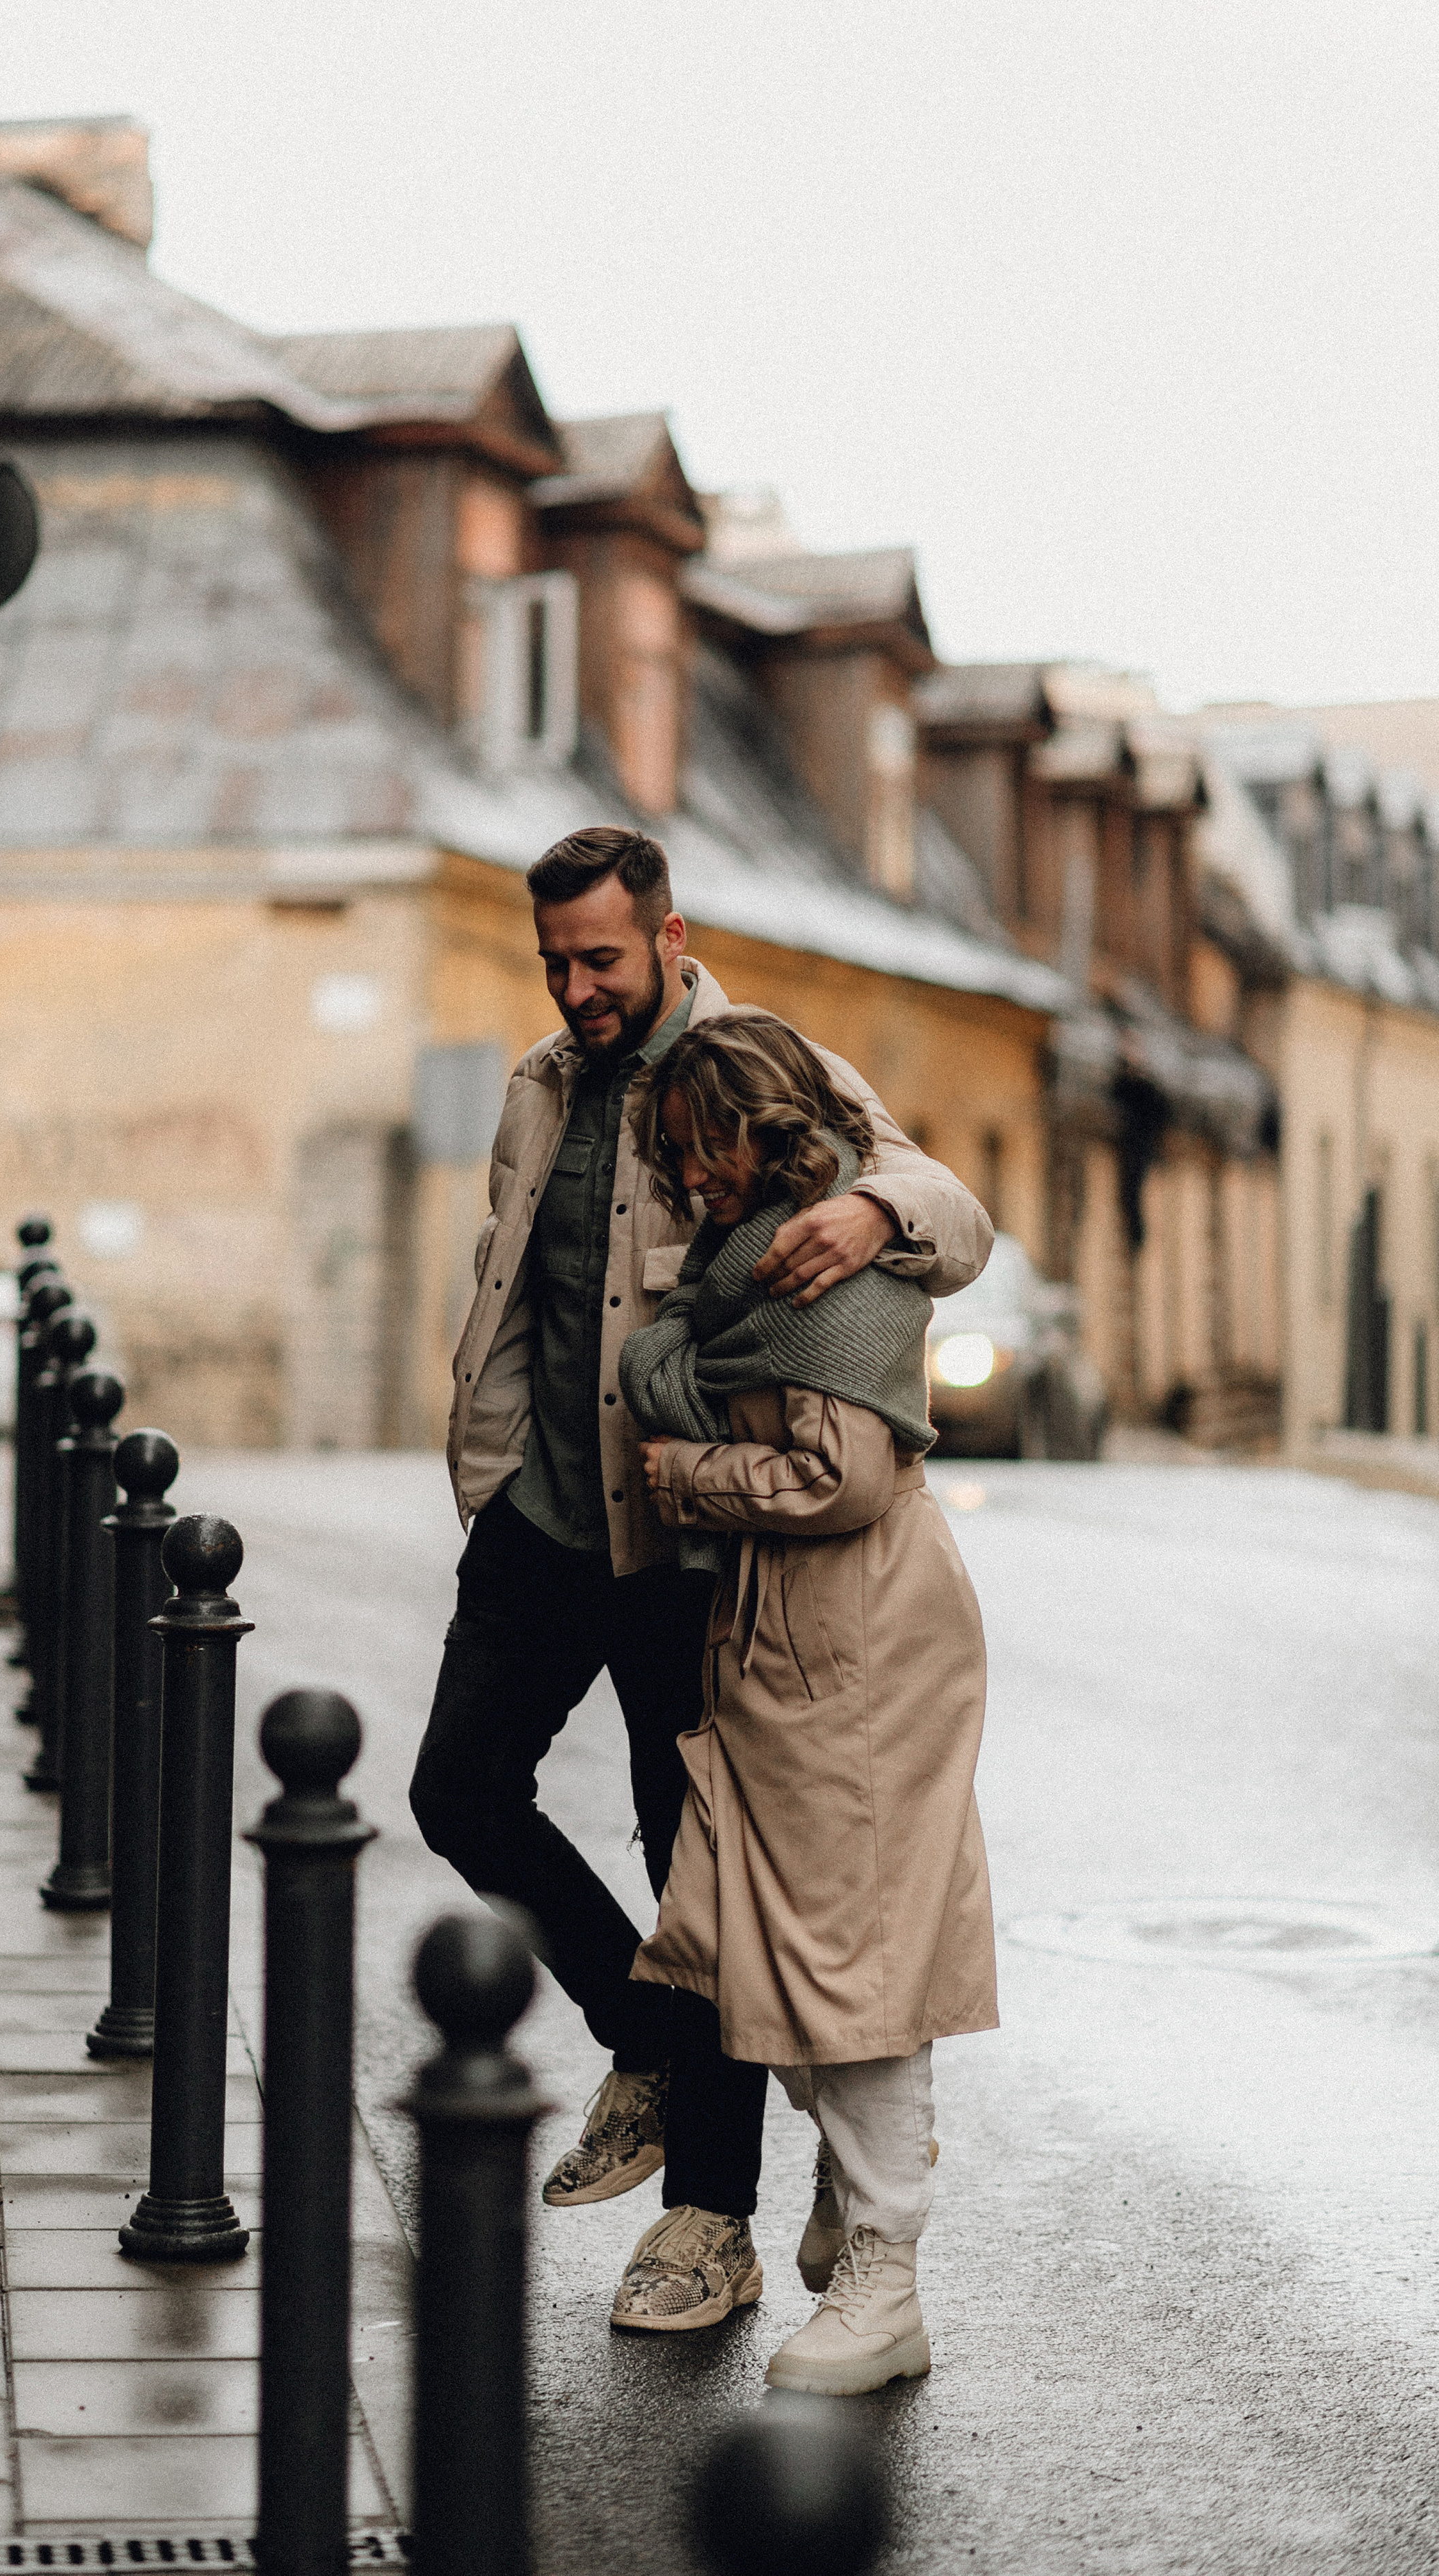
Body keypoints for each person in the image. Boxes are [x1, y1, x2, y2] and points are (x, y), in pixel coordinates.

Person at [409, 823, 992, 2332]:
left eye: (598, 957)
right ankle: (644, 2034)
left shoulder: (755, 1061)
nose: (575, 987)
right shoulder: (538, 1085)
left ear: (668, 936)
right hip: (542, 1516)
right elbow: (514, 1281)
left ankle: (706, 2226)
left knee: (699, 1864)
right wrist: (483, 1480)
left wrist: (876, 1211)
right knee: (457, 1788)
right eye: (552, 961)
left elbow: (948, 1206)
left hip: (691, 1540)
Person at [618, 1009, 997, 2392]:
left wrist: (683, 1481)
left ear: (742, 1137)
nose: (677, 1182)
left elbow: (834, 1482)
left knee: (853, 1960)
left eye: (687, 1155)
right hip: (790, 1630)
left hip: (858, 1632)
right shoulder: (748, 1266)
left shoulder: (822, 1275)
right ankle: (857, 2181)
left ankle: (886, 2274)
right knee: (754, 1942)